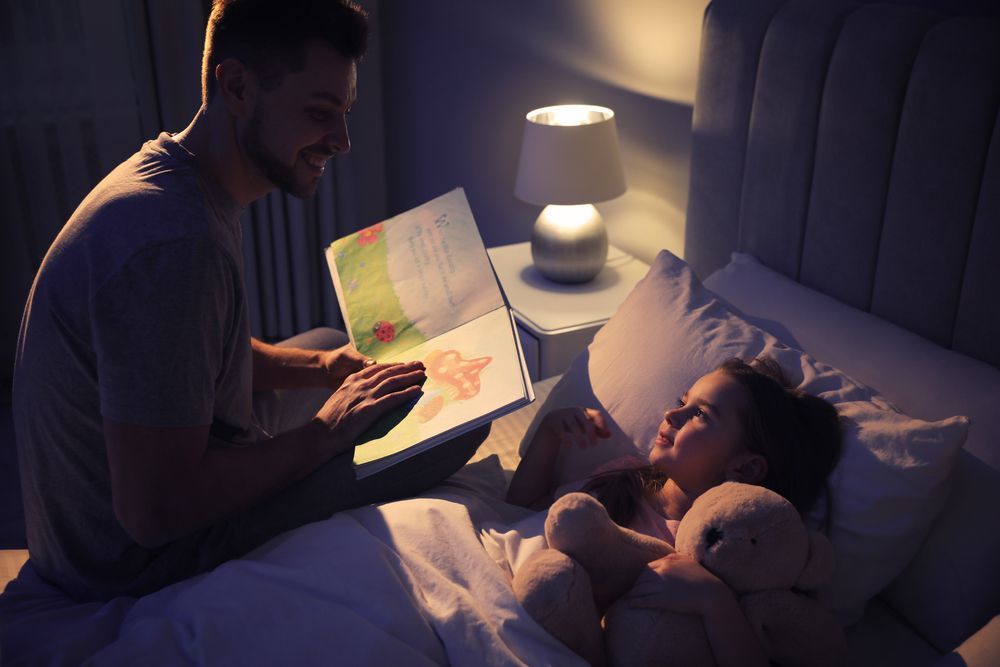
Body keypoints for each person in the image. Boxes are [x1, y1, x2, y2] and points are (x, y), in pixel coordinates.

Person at [10, 0, 485, 603]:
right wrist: (322, 434)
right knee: (458, 428)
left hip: (131, 497)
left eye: (344, 113)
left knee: (317, 345)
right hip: (134, 562)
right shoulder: (176, 245)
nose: (340, 141)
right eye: (319, 113)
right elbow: (153, 513)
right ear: (236, 86)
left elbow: (196, 354)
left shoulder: (174, 178)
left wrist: (323, 369)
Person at [506, 357, 842, 667]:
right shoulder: (629, 477)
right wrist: (549, 434)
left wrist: (715, 601)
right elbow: (523, 517)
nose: (671, 413)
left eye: (700, 414)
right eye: (683, 402)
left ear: (745, 468)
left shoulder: (721, 551)